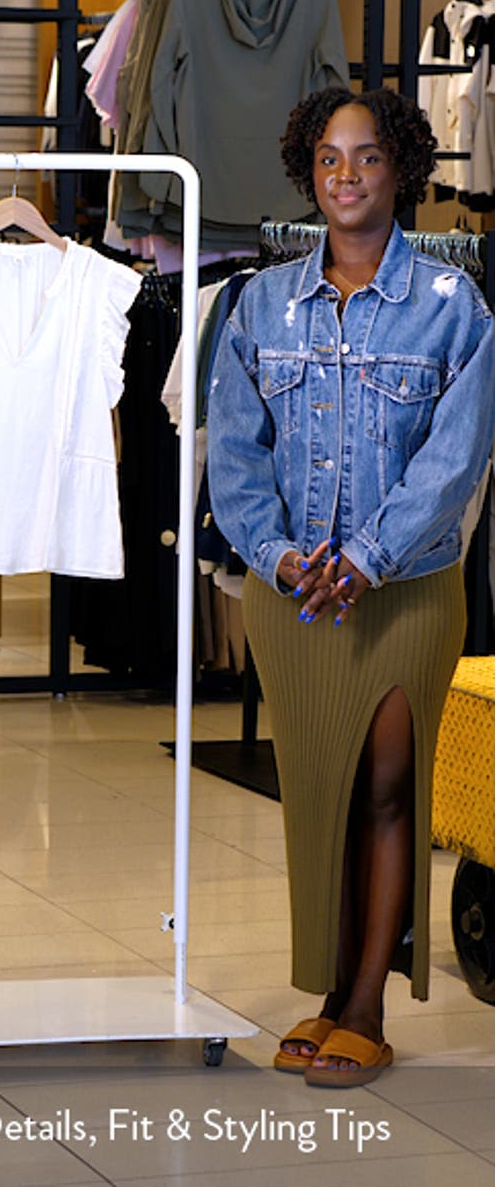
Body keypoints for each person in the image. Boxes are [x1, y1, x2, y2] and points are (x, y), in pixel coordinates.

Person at [207, 85, 493, 1087]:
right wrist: (280, 554)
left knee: (384, 784)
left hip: (404, 590)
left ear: (401, 167)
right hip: (294, 594)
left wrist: (368, 555)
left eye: (367, 156)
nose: (347, 176)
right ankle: (330, 992)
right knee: (321, 787)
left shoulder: (453, 306)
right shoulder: (258, 304)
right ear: (308, 172)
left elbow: (456, 458)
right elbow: (233, 452)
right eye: (329, 159)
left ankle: (366, 1002)